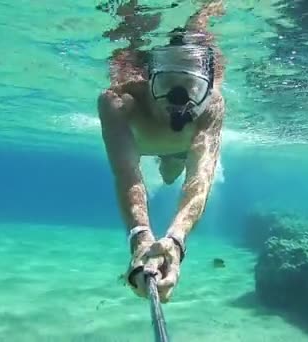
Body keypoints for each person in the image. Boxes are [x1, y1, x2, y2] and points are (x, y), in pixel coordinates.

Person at [97, 0, 226, 303]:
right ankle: (166, 156)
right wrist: (140, 237)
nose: (177, 101)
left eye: (192, 88)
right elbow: (127, 173)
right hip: (148, 144)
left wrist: (175, 239)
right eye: (166, 83)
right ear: (148, 77)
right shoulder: (119, 102)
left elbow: (201, 177)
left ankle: (169, 157)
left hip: (180, 152)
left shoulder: (212, 108)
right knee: (166, 173)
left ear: (206, 88)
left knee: (171, 175)